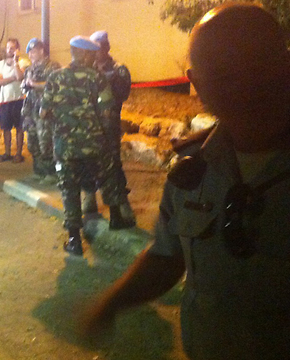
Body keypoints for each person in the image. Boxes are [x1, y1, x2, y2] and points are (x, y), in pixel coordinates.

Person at [79, 4, 290, 359]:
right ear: (197, 84)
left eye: (256, 67)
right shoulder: (193, 168)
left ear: (284, 66)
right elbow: (167, 256)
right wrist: (111, 303)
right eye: (224, 74)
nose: (243, 85)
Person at [40, 36, 129, 256]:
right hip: (94, 143)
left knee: (69, 189)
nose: (92, 57)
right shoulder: (97, 78)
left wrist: (60, 119)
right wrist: (103, 133)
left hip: (65, 146)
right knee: (107, 176)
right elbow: (108, 110)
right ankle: (116, 217)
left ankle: (74, 240)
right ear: (82, 53)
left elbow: (43, 112)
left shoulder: (54, 77)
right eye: (90, 54)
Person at [80, 30, 135, 227]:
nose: (96, 52)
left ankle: (121, 204)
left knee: (112, 165)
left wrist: (104, 80)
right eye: (93, 49)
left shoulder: (119, 70)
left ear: (107, 48)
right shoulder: (86, 70)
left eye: (100, 48)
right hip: (88, 125)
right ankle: (89, 198)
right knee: (87, 162)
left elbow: (121, 94)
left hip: (109, 126)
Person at [20, 38, 60, 184]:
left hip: (45, 109)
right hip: (31, 109)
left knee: (46, 142)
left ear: (42, 51)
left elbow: (55, 85)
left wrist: (35, 84)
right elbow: (26, 87)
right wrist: (25, 85)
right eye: (29, 52)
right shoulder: (29, 69)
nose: (30, 54)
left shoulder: (52, 66)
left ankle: (51, 173)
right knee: (32, 142)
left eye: (33, 51)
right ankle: (39, 171)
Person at [0, 38, 30, 163]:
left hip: (19, 100)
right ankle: (7, 152)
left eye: (12, 48)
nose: (9, 50)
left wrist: (15, 63)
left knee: (19, 128)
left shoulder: (23, 62)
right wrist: (12, 78)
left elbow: (20, 77)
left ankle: (18, 153)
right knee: (6, 128)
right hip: (5, 101)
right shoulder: (1, 64)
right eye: (8, 47)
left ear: (17, 49)